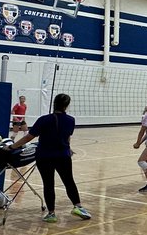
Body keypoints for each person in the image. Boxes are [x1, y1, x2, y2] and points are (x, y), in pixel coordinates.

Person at [11, 93, 91, 223]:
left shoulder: (44, 119)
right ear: (66, 106)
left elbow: (29, 137)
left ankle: (51, 214)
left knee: (48, 184)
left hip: (44, 156)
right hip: (63, 156)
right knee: (69, 181)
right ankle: (78, 206)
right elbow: (67, 137)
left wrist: (12, 147)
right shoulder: (71, 120)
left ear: (54, 104)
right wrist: (68, 147)